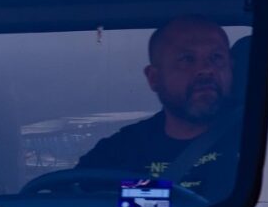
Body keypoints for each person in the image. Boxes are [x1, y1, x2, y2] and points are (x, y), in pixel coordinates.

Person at [76, 16, 240, 195]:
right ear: (154, 78)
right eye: (187, 59)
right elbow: (71, 206)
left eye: (216, 57)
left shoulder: (259, 139)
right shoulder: (118, 153)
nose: (206, 69)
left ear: (231, 69)